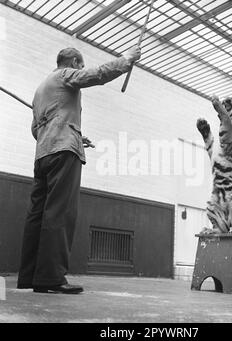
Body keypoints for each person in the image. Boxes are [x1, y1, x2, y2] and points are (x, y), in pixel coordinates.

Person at [17, 46, 141, 294]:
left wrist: (75, 135)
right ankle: (51, 278)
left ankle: (30, 278)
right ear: (74, 62)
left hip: (43, 155)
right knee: (59, 214)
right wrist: (125, 61)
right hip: (64, 153)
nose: (81, 69)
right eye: (80, 65)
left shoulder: (40, 90)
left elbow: (36, 130)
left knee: (37, 216)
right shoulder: (64, 75)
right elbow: (95, 75)